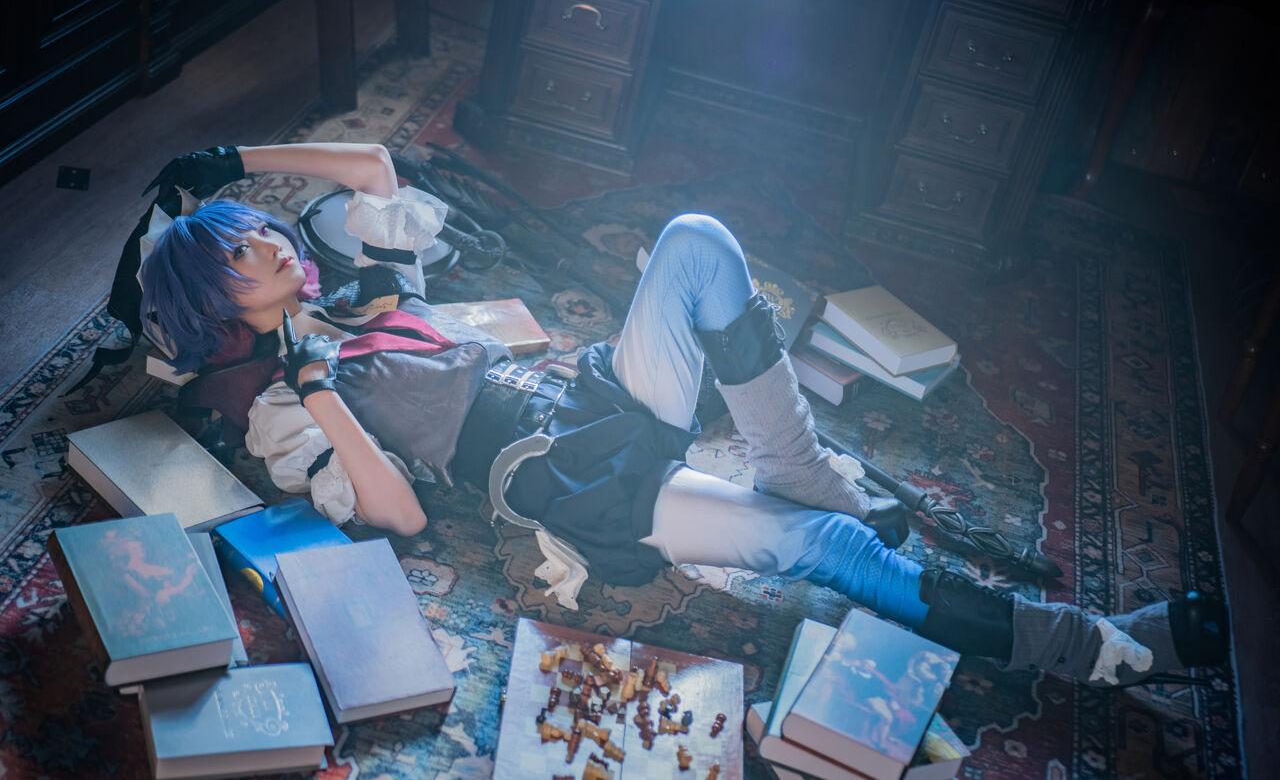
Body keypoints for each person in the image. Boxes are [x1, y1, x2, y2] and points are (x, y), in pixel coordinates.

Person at [133, 142, 1229, 688]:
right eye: (239, 253)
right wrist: (320, 385)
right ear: (215, 306)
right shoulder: (284, 408)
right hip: (569, 480)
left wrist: (236, 162)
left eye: (257, 227)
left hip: (595, 396)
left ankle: (798, 462)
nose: (269, 239)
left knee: (697, 240)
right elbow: (400, 517)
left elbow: (374, 166)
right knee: (828, 543)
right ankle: (1102, 648)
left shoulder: (359, 291)